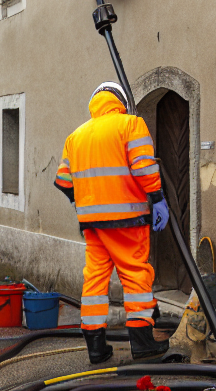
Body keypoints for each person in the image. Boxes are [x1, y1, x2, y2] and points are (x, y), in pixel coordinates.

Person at [54, 82, 169, 363]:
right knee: (135, 274)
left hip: (92, 224)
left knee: (94, 280)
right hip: (128, 218)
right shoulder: (131, 124)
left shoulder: (75, 137)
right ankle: (142, 343)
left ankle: (96, 347)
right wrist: (157, 198)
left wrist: (83, 202)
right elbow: (144, 166)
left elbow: (62, 180)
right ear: (120, 102)